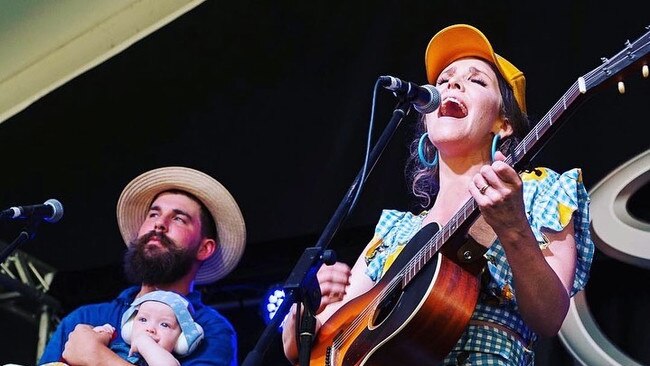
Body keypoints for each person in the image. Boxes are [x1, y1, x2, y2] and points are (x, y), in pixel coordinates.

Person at [282, 24, 594, 365]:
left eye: (476, 80)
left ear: (503, 123)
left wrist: (514, 228)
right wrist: (305, 308)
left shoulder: (539, 192)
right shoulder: (395, 231)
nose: (452, 84)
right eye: (443, 81)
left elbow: (549, 317)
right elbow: (313, 349)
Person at [39, 166, 246, 366]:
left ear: (204, 248)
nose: (159, 223)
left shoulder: (212, 331)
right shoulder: (85, 317)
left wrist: (99, 358)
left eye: (178, 218)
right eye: (153, 214)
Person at [93, 290, 205, 366]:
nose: (150, 329)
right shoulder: (116, 347)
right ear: (130, 325)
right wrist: (97, 336)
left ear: (181, 338)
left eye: (164, 325)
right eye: (143, 320)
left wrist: (144, 343)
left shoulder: (167, 361)